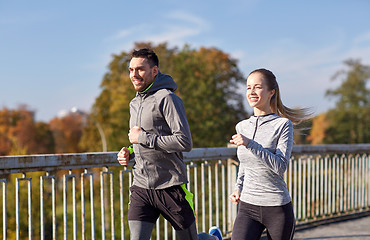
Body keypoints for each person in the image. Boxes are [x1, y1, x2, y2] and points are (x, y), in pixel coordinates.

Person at [117, 48, 197, 240]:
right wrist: (129, 152)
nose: (134, 75)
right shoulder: (134, 104)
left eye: (140, 69)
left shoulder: (167, 98)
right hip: (141, 187)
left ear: (154, 71)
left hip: (170, 186)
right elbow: (141, 140)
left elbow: (184, 141)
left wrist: (142, 138)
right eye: (130, 70)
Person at [229, 68, 310, 240]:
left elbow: (280, 166)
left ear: (271, 92)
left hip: (276, 207)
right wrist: (238, 187)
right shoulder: (242, 126)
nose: (251, 91)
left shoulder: (283, 125)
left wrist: (250, 143)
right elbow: (244, 162)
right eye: (248, 87)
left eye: (257, 87)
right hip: (247, 206)